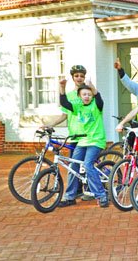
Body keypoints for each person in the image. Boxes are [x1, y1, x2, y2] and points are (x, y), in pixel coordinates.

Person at [57, 81, 109, 208]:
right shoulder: (78, 107)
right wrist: (62, 87)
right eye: (84, 94)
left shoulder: (97, 106)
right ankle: (70, 197)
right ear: (79, 97)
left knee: (87, 164)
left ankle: (101, 195)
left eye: (89, 94)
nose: (87, 96)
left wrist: (93, 89)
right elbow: (64, 103)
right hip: (83, 141)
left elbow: (99, 99)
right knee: (73, 165)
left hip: (96, 140)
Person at [43, 64, 90, 199]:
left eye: (82, 76)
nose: (79, 78)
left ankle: (87, 189)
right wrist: (49, 124)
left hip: (88, 135)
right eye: (76, 76)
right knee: (74, 166)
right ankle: (76, 191)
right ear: (73, 78)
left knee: (86, 165)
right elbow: (64, 115)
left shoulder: (88, 94)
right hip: (74, 136)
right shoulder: (69, 96)